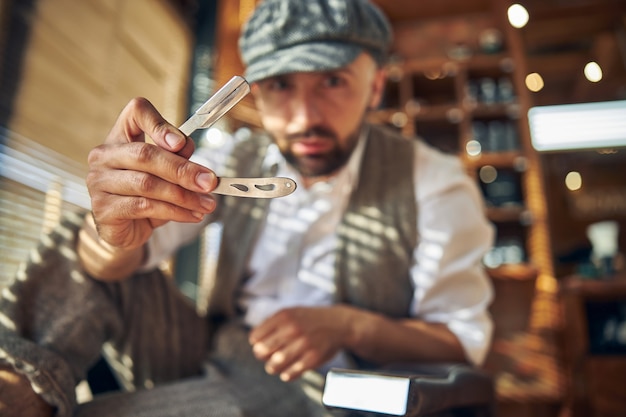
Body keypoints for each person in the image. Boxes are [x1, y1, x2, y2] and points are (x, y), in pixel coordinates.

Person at [0, 0, 494, 416]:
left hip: (322, 388)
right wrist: (113, 233)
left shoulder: (433, 183)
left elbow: (461, 340)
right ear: (255, 91)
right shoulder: (233, 158)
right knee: (88, 238)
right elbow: (112, 262)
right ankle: (21, 383)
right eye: (281, 85)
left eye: (333, 81)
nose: (304, 117)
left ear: (375, 85)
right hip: (210, 347)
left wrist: (350, 325)